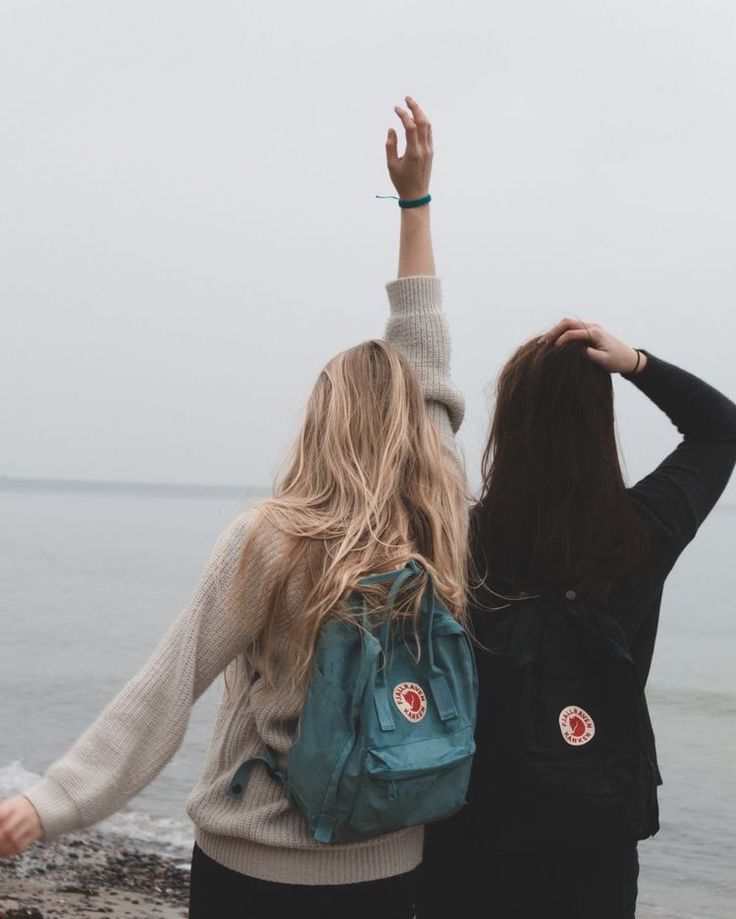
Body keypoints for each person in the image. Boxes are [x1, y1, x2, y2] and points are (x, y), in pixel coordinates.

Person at [0, 97, 465, 919]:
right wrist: (417, 204)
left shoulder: (273, 539)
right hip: (391, 872)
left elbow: (165, 688)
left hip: (256, 873)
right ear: (413, 424)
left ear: (319, 421)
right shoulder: (439, 523)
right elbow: (424, 352)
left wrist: (52, 800)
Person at [421, 320, 736, 919]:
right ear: (600, 424)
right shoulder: (640, 533)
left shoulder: (458, 536)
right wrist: (637, 362)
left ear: (509, 424)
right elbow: (722, 429)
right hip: (597, 830)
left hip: (472, 827)